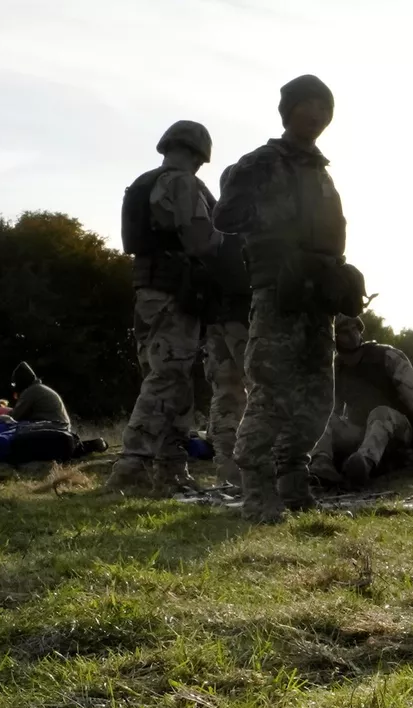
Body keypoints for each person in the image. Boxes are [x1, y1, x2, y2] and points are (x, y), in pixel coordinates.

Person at [217, 74, 356, 523]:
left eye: (324, 108)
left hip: (318, 299)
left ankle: (293, 485)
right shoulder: (261, 162)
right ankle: (256, 493)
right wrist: (272, 229)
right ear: (288, 110)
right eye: (307, 105)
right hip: (279, 295)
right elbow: (227, 216)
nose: (316, 114)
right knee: (271, 393)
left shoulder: (322, 173)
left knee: (319, 397)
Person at [108, 120, 217, 496]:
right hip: (173, 293)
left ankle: (171, 470)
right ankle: (133, 464)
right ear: (198, 154)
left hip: (148, 291)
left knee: (173, 381)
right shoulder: (182, 183)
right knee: (168, 378)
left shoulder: (142, 183)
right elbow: (200, 239)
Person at [309, 315, 413, 485]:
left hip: (400, 431)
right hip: (362, 431)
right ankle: (321, 464)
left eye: (355, 329)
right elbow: (332, 409)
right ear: (334, 338)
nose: (352, 335)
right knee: (323, 418)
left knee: (380, 412)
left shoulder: (387, 357)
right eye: (345, 331)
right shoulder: (337, 368)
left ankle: (362, 465)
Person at [203, 162, 252, 489]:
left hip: (213, 324)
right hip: (243, 320)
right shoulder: (247, 226)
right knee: (264, 392)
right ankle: (261, 469)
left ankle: (226, 471)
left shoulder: (209, 227)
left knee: (225, 397)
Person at [7, 363, 72, 431]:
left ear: (21, 382)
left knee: (19, 431)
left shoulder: (30, 391)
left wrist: (1, 415)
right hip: (62, 426)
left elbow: (15, 417)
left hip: (55, 427)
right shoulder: (39, 388)